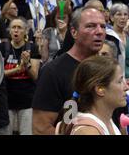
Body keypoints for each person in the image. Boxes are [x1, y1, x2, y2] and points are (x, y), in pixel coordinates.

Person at [32, 7, 106, 135]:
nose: (99, 31)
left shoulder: (108, 68)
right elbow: (41, 128)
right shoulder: (53, 72)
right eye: (91, 26)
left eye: (103, 26)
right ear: (74, 32)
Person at [56, 55, 129, 135]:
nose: (126, 88)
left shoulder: (106, 120)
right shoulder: (87, 131)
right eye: (119, 82)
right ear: (100, 89)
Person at [0, 17, 41, 135]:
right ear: (10, 31)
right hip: (6, 101)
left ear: (26, 31)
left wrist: (27, 64)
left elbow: (35, 76)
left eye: (19, 28)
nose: (16, 30)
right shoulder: (2, 47)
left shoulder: (32, 48)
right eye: (13, 27)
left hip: (27, 102)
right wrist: (18, 69)